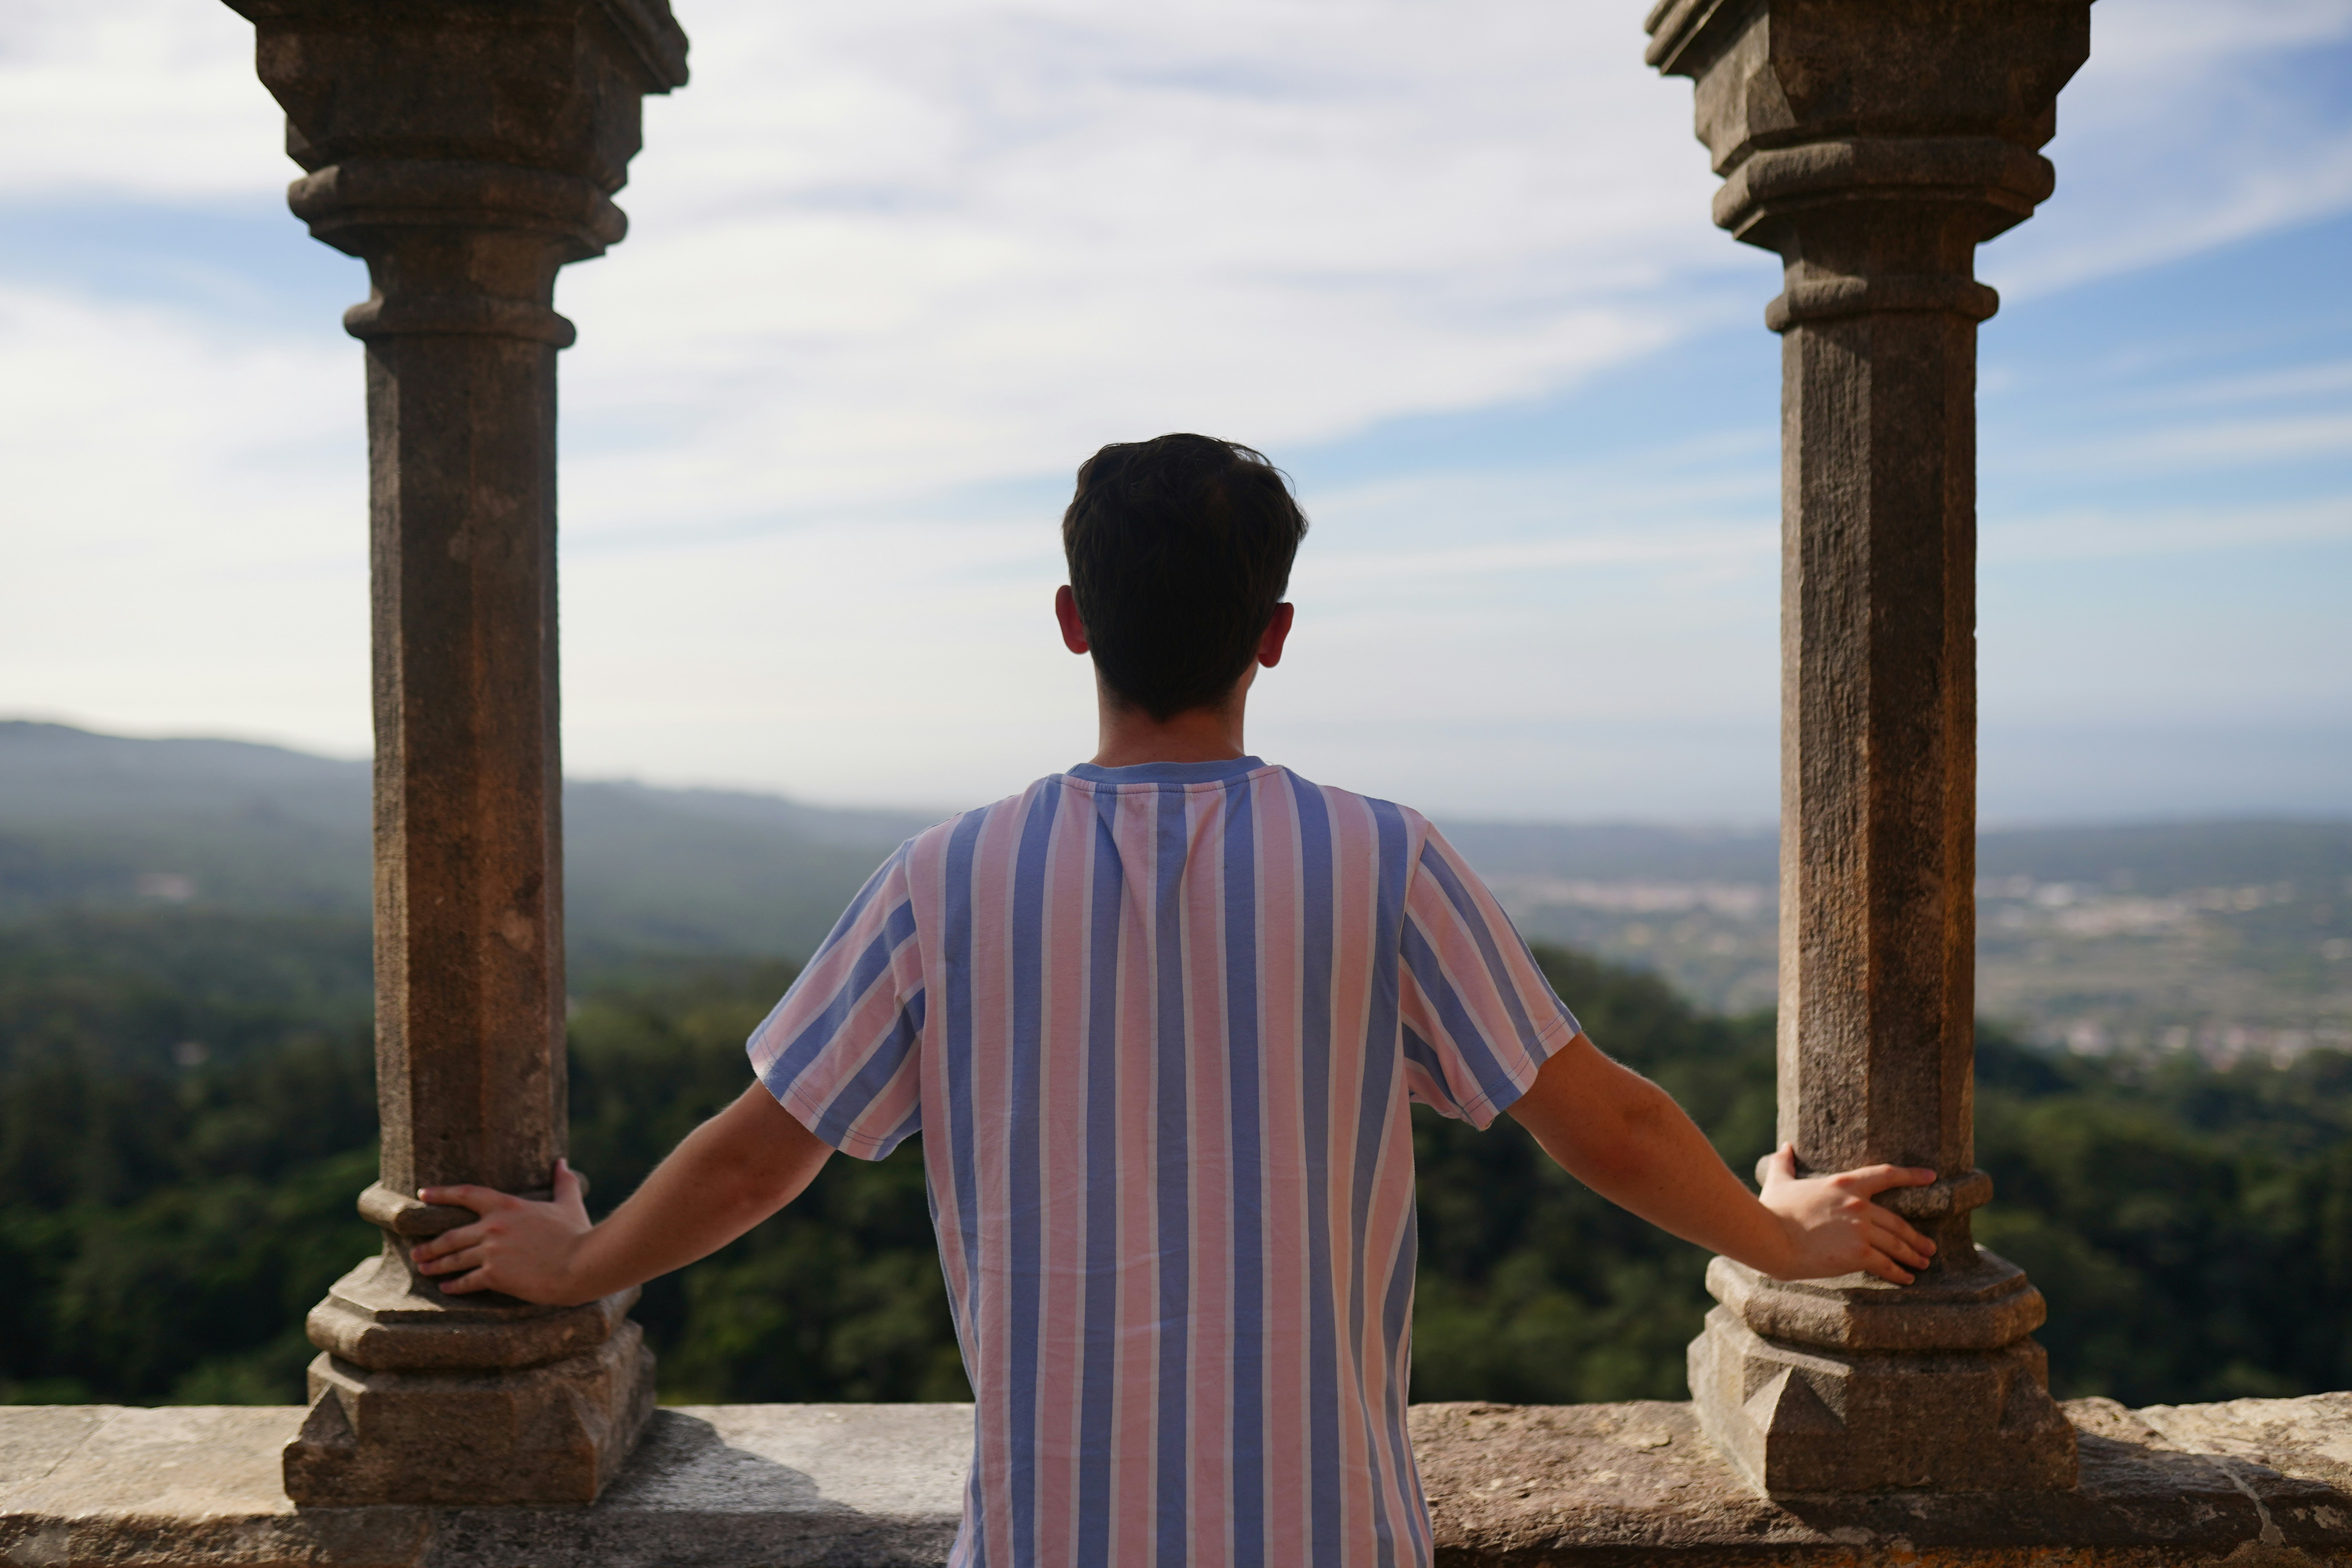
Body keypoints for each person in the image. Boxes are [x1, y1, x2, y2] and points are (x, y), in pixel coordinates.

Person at [414, 434, 1937, 1568]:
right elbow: (1595, 1116)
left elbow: (764, 1149)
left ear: (1072, 620)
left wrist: (582, 1261)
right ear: (1273, 633)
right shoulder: (1379, 856)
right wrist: (1780, 1236)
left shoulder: (944, 877)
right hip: (1328, 1530)